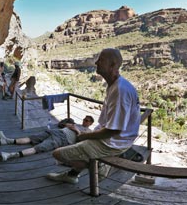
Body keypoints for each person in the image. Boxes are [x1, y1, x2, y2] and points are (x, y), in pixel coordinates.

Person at [47, 48, 141, 184]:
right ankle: (72, 175)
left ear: (113, 65)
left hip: (114, 143)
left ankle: (99, 168)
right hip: (117, 139)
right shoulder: (116, 85)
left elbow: (113, 130)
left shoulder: (120, 90)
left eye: (101, 60)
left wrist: (85, 135)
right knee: (80, 143)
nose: (96, 62)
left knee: (57, 154)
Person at [0, 116, 94, 162]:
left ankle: (10, 155)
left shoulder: (89, 132)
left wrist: (77, 131)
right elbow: (64, 124)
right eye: (84, 119)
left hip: (63, 140)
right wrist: (70, 126)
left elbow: (81, 141)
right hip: (57, 131)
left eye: (87, 120)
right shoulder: (77, 124)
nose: (84, 121)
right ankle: (7, 140)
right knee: (32, 138)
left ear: (90, 123)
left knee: (38, 148)